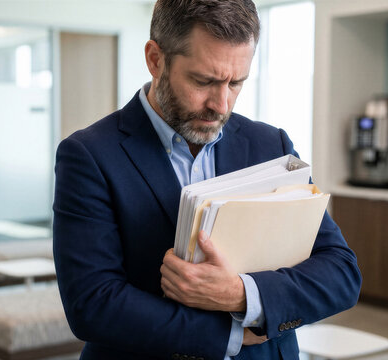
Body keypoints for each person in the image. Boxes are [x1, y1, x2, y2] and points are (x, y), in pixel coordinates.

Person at [52, 0, 362, 359]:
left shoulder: (271, 144)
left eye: (237, 83)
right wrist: (228, 336)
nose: (222, 104)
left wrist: (240, 294)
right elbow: (92, 303)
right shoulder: (89, 154)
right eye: (204, 81)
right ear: (156, 59)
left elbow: (340, 273)